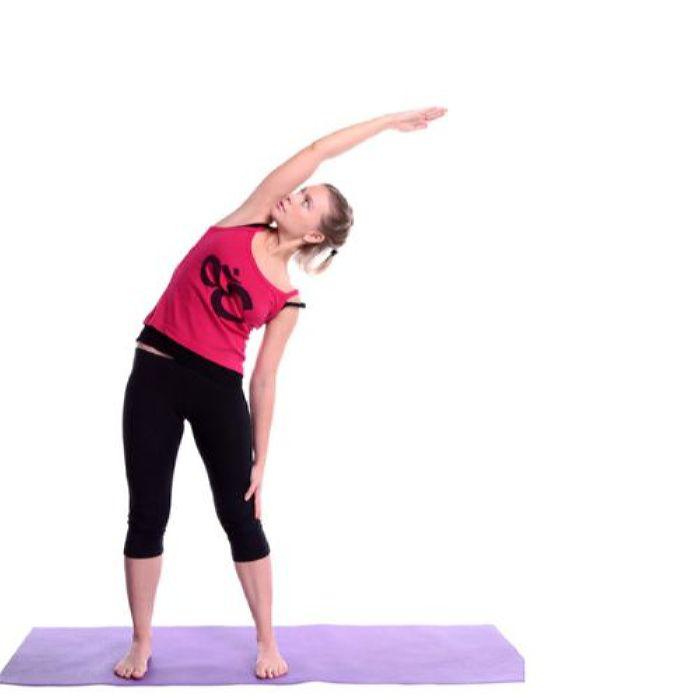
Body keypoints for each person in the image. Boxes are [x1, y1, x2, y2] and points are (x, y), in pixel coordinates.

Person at [113, 106, 448, 681]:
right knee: (147, 514)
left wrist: (261, 458)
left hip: (217, 392)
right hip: (155, 374)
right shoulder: (249, 216)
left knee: (241, 517)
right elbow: (318, 150)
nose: (295, 195)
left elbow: (264, 379)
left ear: (314, 234)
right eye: (302, 191)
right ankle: (141, 641)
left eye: (307, 201)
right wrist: (388, 122)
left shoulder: (287, 299)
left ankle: (267, 641)